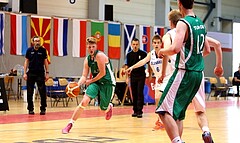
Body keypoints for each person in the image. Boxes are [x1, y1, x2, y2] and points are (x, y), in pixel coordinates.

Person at [155, 1, 222, 142]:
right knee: (179, 113)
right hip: (199, 73)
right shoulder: (200, 23)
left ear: (179, 3)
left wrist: (161, 50)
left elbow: (174, 49)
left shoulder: (182, 24)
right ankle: (204, 132)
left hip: (184, 73)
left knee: (162, 110)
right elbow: (209, 49)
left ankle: (178, 141)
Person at [62, 37, 116, 134]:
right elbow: (84, 75)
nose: (91, 49)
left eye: (93, 47)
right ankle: (70, 124)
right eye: (89, 47)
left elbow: (103, 73)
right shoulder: (87, 59)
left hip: (107, 83)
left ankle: (108, 107)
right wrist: (77, 85)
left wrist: (90, 80)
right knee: (84, 102)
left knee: (103, 108)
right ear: (87, 48)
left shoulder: (100, 56)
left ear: (96, 47)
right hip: (96, 83)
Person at [126, 35, 170, 130]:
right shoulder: (151, 54)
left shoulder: (165, 52)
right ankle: (161, 120)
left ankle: (165, 120)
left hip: (167, 77)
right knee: (157, 100)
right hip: (159, 79)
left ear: (161, 43)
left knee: (160, 98)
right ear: (152, 44)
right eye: (155, 43)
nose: (156, 44)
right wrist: (132, 67)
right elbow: (143, 62)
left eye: (158, 42)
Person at [23, 36, 49, 115]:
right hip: (31, 73)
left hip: (40, 73)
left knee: (42, 92)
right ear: (33, 42)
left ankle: (43, 108)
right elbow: (26, 61)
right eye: (36, 41)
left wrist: (47, 73)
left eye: (38, 41)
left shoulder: (43, 50)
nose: (37, 42)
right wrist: (24, 73)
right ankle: (30, 109)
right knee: (30, 92)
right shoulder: (29, 50)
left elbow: (45, 62)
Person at [125, 38, 147, 118]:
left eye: (136, 44)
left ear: (139, 45)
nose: (135, 46)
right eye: (133, 44)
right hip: (133, 76)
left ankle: (139, 111)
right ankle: (134, 110)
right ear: (131, 45)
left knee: (139, 92)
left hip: (141, 75)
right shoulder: (129, 55)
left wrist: (150, 74)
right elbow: (127, 66)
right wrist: (127, 78)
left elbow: (149, 64)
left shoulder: (143, 53)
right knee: (134, 93)